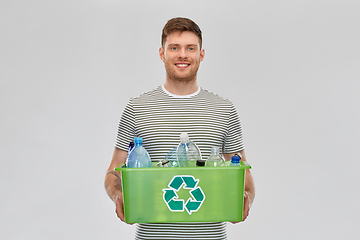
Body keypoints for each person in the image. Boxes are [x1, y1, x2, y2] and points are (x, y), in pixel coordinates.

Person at [104, 17, 255, 239]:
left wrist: (246, 198)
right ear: (162, 53)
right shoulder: (137, 108)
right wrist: (118, 195)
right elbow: (113, 171)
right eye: (174, 47)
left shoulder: (224, 110)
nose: (182, 55)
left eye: (190, 48)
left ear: (201, 55)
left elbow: (245, 174)